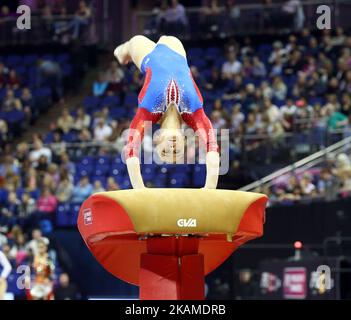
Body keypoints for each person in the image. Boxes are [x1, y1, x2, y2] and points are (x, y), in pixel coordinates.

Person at [114, 35, 219, 189]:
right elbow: (212, 149)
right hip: (175, 49)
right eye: (176, 151)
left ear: (157, 139)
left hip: (149, 58)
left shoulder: (147, 113)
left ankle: (121, 52)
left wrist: (140, 189)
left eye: (165, 151)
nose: (171, 148)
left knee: (124, 52)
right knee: (168, 38)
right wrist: (209, 188)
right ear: (184, 140)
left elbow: (131, 150)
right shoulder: (194, 113)